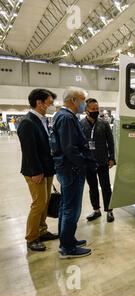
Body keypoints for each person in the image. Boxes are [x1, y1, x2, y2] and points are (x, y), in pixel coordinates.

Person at [50, 87, 96, 259]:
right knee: (71, 209)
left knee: (65, 207)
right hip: (71, 169)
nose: (85, 103)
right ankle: (67, 248)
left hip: (66, 168)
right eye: (83, 99)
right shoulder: (67, 118)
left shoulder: (64, 116)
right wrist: (84, 164)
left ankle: (67, 239)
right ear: (73, 100)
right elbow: (70, 148)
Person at [17, 89, 59, 252]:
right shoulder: (28, 122)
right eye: (49, 102)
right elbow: (29, 150)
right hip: (35, 171)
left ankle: (42, 230)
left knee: (45, 202)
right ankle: (32, 237)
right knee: (38, 203)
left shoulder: (42, 120)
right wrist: (36, 171)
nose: (51, 105)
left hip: (46, 169)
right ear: (39, 103)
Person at [80, 99, 116, 223]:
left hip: (102, 161)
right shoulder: (81, 124)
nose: (96, 111)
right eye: (93, 109)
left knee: (106, 187)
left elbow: (111, 142)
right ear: (86, 110)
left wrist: (112, 158)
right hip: (88, 162)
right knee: (92, 187)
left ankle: (109, 210)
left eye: (97, 109)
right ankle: (96, 210)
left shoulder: (104, 123)